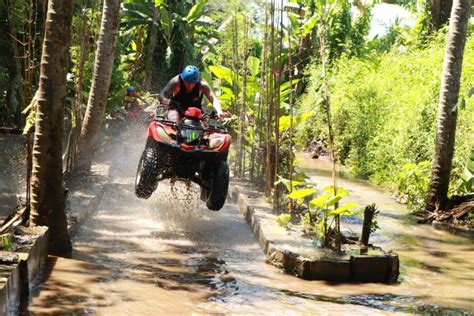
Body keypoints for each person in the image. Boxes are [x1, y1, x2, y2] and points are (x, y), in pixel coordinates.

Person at [159, 65, 226, 121]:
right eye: (187, 83)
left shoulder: (202, 84)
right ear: (183, 79)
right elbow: (162, 95)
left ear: (196, 81)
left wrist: (219, 111)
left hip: (195, 112)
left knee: (204, 127)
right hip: (177, 108)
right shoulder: (176, 81)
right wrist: (167, 101)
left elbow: (213, 98)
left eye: (192, 83)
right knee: (173, 119)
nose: (190, 85)